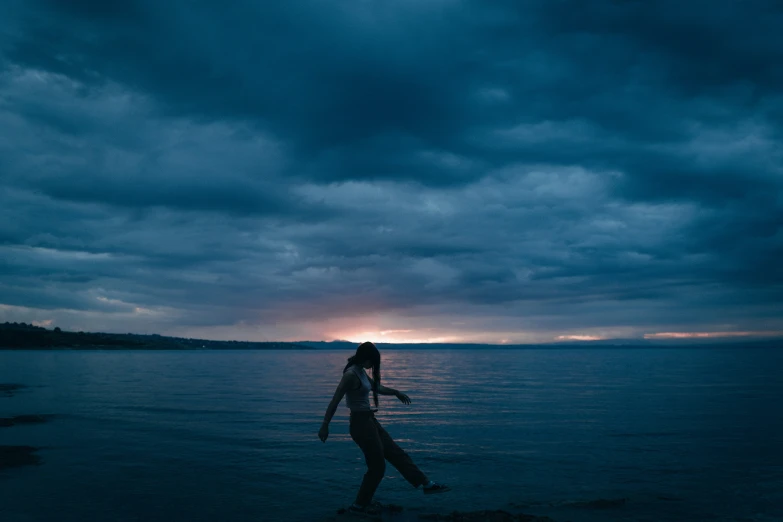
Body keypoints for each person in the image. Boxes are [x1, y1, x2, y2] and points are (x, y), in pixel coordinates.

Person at [319, 341, 450, 514]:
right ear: (365, 357)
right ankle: (358, 506)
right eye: (372, 361)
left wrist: (396, 392)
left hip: (370, 421)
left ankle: (426, 484)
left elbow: (376, 387)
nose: (373, 365)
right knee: (377, 467)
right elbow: (335, 400)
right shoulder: (350, 375)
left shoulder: (361, 371)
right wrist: (325, 426)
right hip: (360, 424)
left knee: (396, 453)